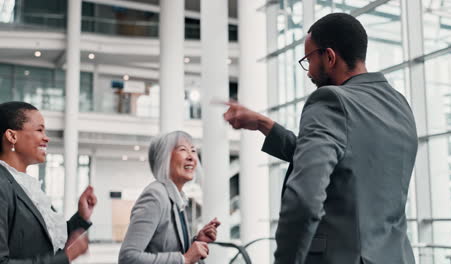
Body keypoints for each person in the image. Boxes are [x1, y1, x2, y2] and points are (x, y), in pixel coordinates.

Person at [224, 13, 417, 264]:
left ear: (329, 56)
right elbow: (349, 166)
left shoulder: (330, 99)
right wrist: (265, 125)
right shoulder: (399, 104)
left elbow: (304, 198)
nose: (308, 73)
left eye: (309, 60)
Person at [0, 101, 98, 264]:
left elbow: (44, 240)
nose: (46, 138)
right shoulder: (2, 185)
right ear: (12, 136)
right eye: (39, 130)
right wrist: (65, 258)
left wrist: (81, 217)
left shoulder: (26, 186)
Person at [119, 131, 221, 264]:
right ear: (164, 158)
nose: (191, 157)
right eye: (183, 149)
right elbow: (128, 258)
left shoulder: (177, 197)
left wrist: (197, 241)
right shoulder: (155, 196)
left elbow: (164, 248)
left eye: (193, 150)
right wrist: (184, 259)